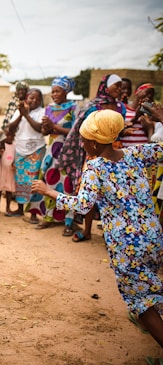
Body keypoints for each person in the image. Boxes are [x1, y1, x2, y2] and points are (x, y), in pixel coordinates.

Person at [32, 109, 163, 354]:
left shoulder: (95, 168)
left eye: (83, 141)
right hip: (153, 238)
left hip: (127, 247)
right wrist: (161, 117)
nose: (81, 144)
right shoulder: (135, 153)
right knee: (151, 288)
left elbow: (82, 205)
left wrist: (49, 191)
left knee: (142, 304)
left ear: (92, 142)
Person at [56, 74, 126, 242]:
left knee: (114, 193)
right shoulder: (93, 107)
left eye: (121, 87)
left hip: (116, 152)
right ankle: (87, 230)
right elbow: (82, 130)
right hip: (94, 153)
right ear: (106, 86)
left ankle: (114, 234)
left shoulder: (121, 107)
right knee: (89, 193)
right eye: (116, 85)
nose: (119, 89)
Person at [28, 76, 78, 236]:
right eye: (52, 91)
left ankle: (69, 221)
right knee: (49, 181)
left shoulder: (74, 108)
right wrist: (46, 127)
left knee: (68, 184)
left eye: (57, 91)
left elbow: (76, 132)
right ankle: (48, 217)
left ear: (66, 91)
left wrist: (54, 126)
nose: (54, 94)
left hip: (69, 151)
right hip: (52, 150)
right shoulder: (49, 108)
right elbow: (44, 131)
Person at [5, 88, 46, 222]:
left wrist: (27, 115)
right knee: (20, 180)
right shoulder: (19, 111)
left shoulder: (42, 112)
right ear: (26, 98)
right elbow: (10, 128)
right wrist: (21, 114)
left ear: (41, 101)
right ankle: (20, 209)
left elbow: (40, 128)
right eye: (31, 98)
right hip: (20, 149)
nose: (34, 100)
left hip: (36, 150)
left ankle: (33, 213)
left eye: (37, 99)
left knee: (34, 181)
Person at [0, 127, 16, 215]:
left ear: (14, 136)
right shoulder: (1, 145)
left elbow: (16, 156)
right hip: (2, 170)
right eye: (7, 135)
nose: (8, 137)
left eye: (11, 135)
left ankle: (8, 207)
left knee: (9, 190)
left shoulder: (15, 145)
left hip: (10, 171)